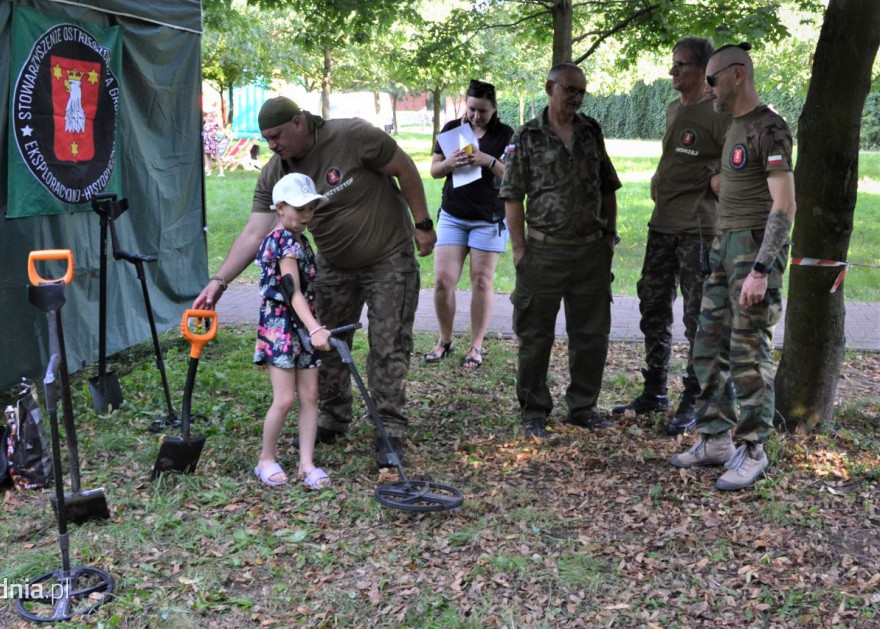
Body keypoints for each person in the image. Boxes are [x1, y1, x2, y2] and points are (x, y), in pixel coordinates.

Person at [194, 96, 436, 467]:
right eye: (267, 139)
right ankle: (332, 418)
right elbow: (256, 232)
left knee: (389, 345)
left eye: (276, 136)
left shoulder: (352, 134)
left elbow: (404, 167)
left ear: (299, 122)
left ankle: (389, 431)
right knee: (325, 341)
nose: (272, 145)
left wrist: (422, 224)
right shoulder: (276, 171)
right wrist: (219, 281)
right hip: (333, 265)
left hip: (388, 257)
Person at [669, 42, 795, 491]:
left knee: (749, 352)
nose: (708, 87)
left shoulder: (770, 129)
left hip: (754, 251)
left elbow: (785, 205)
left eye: (713, 79)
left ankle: (753, 449)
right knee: (707, 346)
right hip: (723, 248)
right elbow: (735, 182)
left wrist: (762, 269)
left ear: (737, 75)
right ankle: (716, 438)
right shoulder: (732, 127)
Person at [612, 37, 730, 434]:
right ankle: (654, 390)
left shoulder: (718, 113)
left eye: (680, 65)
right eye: (672, 63)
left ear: (702, 69)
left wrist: (716, 179)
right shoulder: (672, 108)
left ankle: (695, 399)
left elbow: (739, 163)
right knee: (652, 305)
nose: (672, 71)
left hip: (697, 229)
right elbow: (676, 155)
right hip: (661, 224)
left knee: (697, 317)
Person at [500, 63, 622, 437]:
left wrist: (609, 238)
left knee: (591, 335)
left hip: (589, 253)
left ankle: (583, 407)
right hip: (543, 252)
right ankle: (534, 410)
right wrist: (520, 249)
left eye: (581, 92)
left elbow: (607, 186)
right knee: (536, 336)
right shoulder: (527, 136)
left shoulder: (590, 131)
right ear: (550, 87)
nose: (576, 98)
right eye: (569, 89)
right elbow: (512, 196)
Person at [425, 79, 515, 370]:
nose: (477, 116)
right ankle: (444, 340)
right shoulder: (452, 129)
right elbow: (435, 170)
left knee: (481, 281)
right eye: (473, 109)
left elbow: (512, 178)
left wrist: (487, 160)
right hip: (453, 214)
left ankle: (476, 346)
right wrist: (450, 163)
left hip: (488, 218)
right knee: (442, 281)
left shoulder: (506, 134)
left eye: (483, 111)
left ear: (494, 108)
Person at [252, 173, 332, 489]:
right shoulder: (283, 241)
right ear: (281, 207)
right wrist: (316, 329)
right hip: (282, 328)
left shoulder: (299, 239)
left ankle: (306, 464)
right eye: (300, 209)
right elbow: (292, 291)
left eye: (311, 209)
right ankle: (266, 460)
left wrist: (311, 327)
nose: (306, 216)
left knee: (310, 396)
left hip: (302, 325)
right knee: (284, 399)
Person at [202, 111, 226, 177]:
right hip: (206, 143)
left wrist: (220, 139)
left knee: (216, 157)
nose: (208, 117)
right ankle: (209, 171)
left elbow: (223, 131)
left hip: (212, 142)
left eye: (210, 116)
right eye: (208, 116)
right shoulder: (205, 124)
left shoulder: (215, 124)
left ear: (213, 117)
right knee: (207, 157)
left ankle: (221, 172)